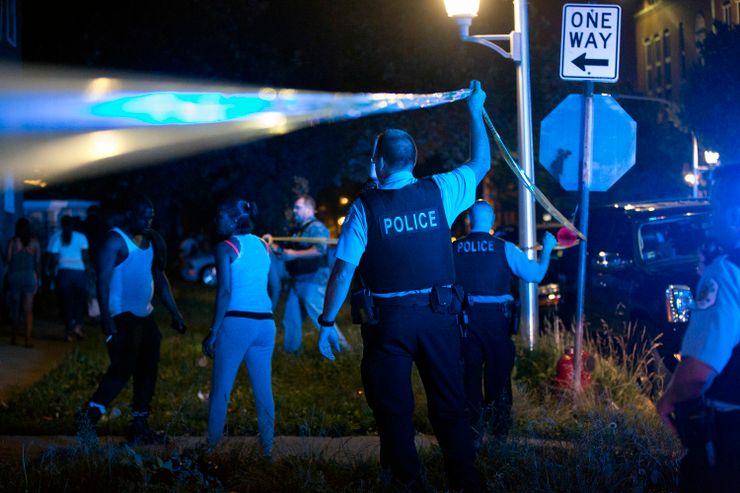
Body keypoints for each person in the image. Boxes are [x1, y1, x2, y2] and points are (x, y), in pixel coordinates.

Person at [317, 80, 490, 492]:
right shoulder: (441, 190)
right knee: (449, 405)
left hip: (389, 324)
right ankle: (465, 482)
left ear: (379, 162)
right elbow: (481, 162)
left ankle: (407, 482)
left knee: (393, 410)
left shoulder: (364, 208)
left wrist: (326, 321)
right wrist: (475, 109)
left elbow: (343, 272)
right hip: (438, 318)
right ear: (412, 161)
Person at [75, 195, 186, 445]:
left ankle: (139, 426)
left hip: (145, 315)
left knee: (148, 369)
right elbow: (102, 281)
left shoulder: (152, 241)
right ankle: (88, 416)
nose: (147, 221)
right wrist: (105, 317)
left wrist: (175, 313)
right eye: (142, 216)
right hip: (120, 315)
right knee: (122, 368)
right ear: (129, 215)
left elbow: (160, 279)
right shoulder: (115, 241)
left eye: (150, 217)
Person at [656, 163, 740, 492]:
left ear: (734, 215)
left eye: (715, 206)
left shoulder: (726, 275)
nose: (711, 215)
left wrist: (669, 400)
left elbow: (699, 372)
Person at [453, 200, 556, 444]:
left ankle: (474, 436)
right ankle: (499, 437)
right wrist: (548, 248)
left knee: (469, 379)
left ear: (469, 220)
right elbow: (536, 275)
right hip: (498, 322)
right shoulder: (505, 248)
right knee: (498, 380)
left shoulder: (455, 250)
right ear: (493, 221)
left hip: (465, 322)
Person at [201, 198, 275, 458]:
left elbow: (224, 292)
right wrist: (266, 308)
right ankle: (267, 450)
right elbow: (274, 285)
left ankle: (211, 448)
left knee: (221, 387)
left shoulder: (225, 247)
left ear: (234, 219)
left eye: (220, 215)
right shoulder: (264, 246)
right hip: (265, 323)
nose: (216, 220)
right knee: (263, 389)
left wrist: (213, 330)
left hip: (237, 322)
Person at [276, 195, 349, 353]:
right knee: (290, 320)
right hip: (297, 281)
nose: (294, 210)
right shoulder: (298, 229)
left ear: (309, 209)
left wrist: (293, 254)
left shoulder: (317, 227)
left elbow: (319, 250)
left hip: (313, 280)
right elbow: (287, 250)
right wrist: (273, 246)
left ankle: (343, 351)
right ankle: (291, 355)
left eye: (298, 207)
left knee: (322, 319)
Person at [47, 215, 90, 341]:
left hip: (64, 273)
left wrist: (51, 273)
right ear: (73, 225)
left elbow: (54, 259)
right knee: (79, 301)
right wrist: (87, 272)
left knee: (66, 303)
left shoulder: (56, 238)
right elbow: (85, 257)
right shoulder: (81, 237)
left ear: (61, 225)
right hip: (79, 273)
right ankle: (78, 326)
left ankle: (68, 331)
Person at [5, 218, 41, 347]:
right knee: (28, 310)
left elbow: (8, 260)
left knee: (15, 308)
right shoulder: (35, 243)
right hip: (29, 276)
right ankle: (27, 339)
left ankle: (14, 337)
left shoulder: (13, 242)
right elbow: (37, 264)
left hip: (15, 276)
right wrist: (38, 280)